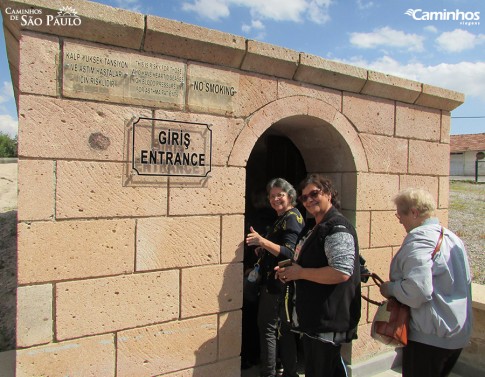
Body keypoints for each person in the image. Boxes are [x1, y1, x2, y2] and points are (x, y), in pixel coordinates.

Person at [379, 188, 472, 377]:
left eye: (400, 215)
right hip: (456, 335)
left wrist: (390, 288)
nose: (400, 221)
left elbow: (417, 292)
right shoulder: (452, 238)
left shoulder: (419, 240)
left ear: (413, 212)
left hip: (429, 339)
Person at [275, 174, 361, 377]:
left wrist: (300, 272)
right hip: (314, 319)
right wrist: (291, 272)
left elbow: (341, 272)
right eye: (304, 198)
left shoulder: (337, 227)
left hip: (327, 320)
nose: (309, 200)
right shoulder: (315, 226)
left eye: (314, 193)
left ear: (329, 194)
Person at [246, 178, 304, 377]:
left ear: (290, 196)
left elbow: (289, 252)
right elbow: (277, 249)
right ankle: (289, 372)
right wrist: (263, 247)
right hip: (276, 281)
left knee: (269, 328)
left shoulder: (292, 217)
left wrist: (262, 241)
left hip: (279, 283)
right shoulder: (282, 217)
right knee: (282, 330)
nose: (275, 199)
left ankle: (269, 373)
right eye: (272, 196)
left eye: (280, 194)